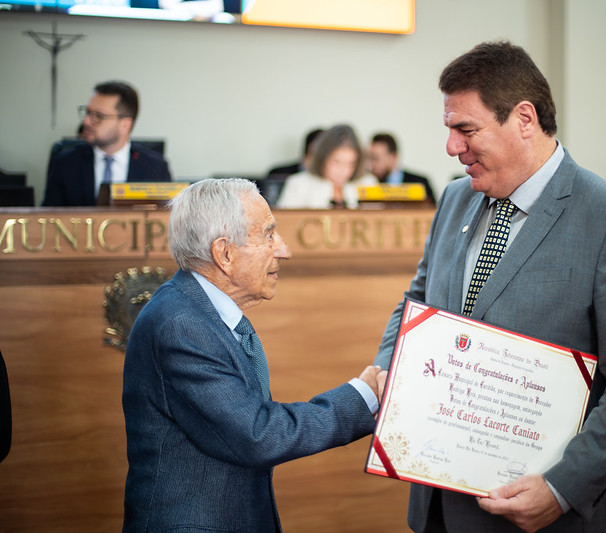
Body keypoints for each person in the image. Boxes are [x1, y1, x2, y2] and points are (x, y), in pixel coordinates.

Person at [373, 41, 606, 533]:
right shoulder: (453, 198)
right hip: (441, 501)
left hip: (550, 512)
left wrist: (562, 489)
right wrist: (388, 371)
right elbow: (418, 300)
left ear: (525, 119)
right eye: (449, 129)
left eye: (465, 129)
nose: (451, 147)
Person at [122, 178, 385, 531]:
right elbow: (258, 434)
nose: (285, 250)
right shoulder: (181, 325)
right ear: (224, 253)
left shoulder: (198, 311)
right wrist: (363, 395)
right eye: (269, 235)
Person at [42, 80, 171, 207]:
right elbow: (47, 220)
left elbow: (167, 220)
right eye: (87, 113)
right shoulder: (64, 163)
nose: (86, 122)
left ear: (125, 125)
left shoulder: (155, 167)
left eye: (98, 116)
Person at [277, 124, 377, 209]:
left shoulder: (368, 184)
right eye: (337, 162)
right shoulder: (298, 184)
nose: (344, 171)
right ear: (322, 158)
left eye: (351, 164)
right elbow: (283, 225)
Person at [369, 132, 436, 204]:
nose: (370, 165)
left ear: (393, 157)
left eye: (375, 158)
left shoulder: (420, 183)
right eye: (369, 158)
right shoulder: (369, 184)